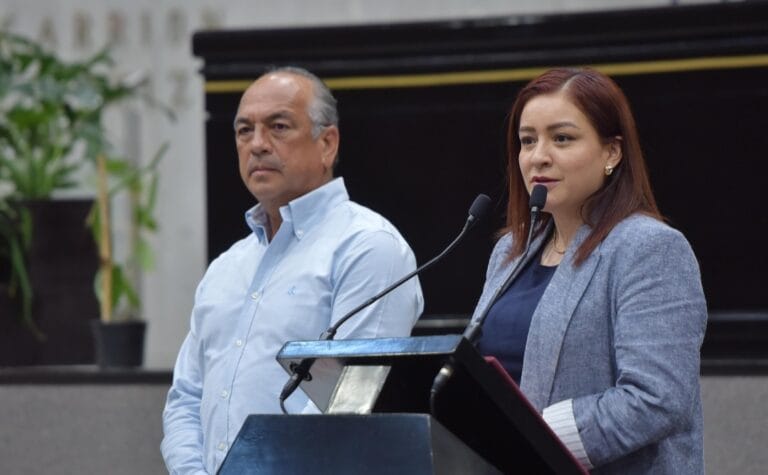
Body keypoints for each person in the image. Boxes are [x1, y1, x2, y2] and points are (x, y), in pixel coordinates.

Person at [161, 66, 424, 474]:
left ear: (327, 143)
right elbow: (186, 399)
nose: (257, 144)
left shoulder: (368, 247)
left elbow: (347, 405)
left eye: (278, 127)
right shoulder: (226, 267)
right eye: (244, 130)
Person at [472, 68, 707, 473]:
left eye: (562, 138)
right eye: (527, 140)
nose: (539, 156)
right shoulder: (510, 250)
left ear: (612, 152)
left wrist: (525, 439)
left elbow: (656, 398)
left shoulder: (649, 249)